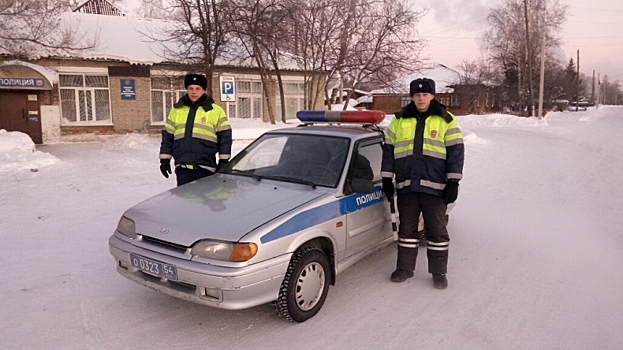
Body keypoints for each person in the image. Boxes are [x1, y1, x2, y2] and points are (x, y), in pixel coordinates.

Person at [381, 77, 464, 289]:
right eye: (417, 95)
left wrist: (453, 182)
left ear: (432, 95)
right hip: (407, 186)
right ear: (412, 97)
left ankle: (439, 272)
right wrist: (386, 178)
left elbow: (456, 152)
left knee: (436, 232)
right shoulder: (399, 120)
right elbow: (388, 151)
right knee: (407, 230)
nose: (420, 98)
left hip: (436, 188)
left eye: (425, 94)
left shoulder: (446, 119)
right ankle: (405, 269)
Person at [159, 73, 232, 186]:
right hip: (182, 166)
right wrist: (164, 160)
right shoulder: (176, 110)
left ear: (204, 90)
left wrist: (223, 161)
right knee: (184, 201)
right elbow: (168, 136)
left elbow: (225, 137)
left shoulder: (215, 111)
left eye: (198, 88)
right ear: (187, 89)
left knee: (203, 201)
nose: (194, 92)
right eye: (191, 88)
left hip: (205, 167)